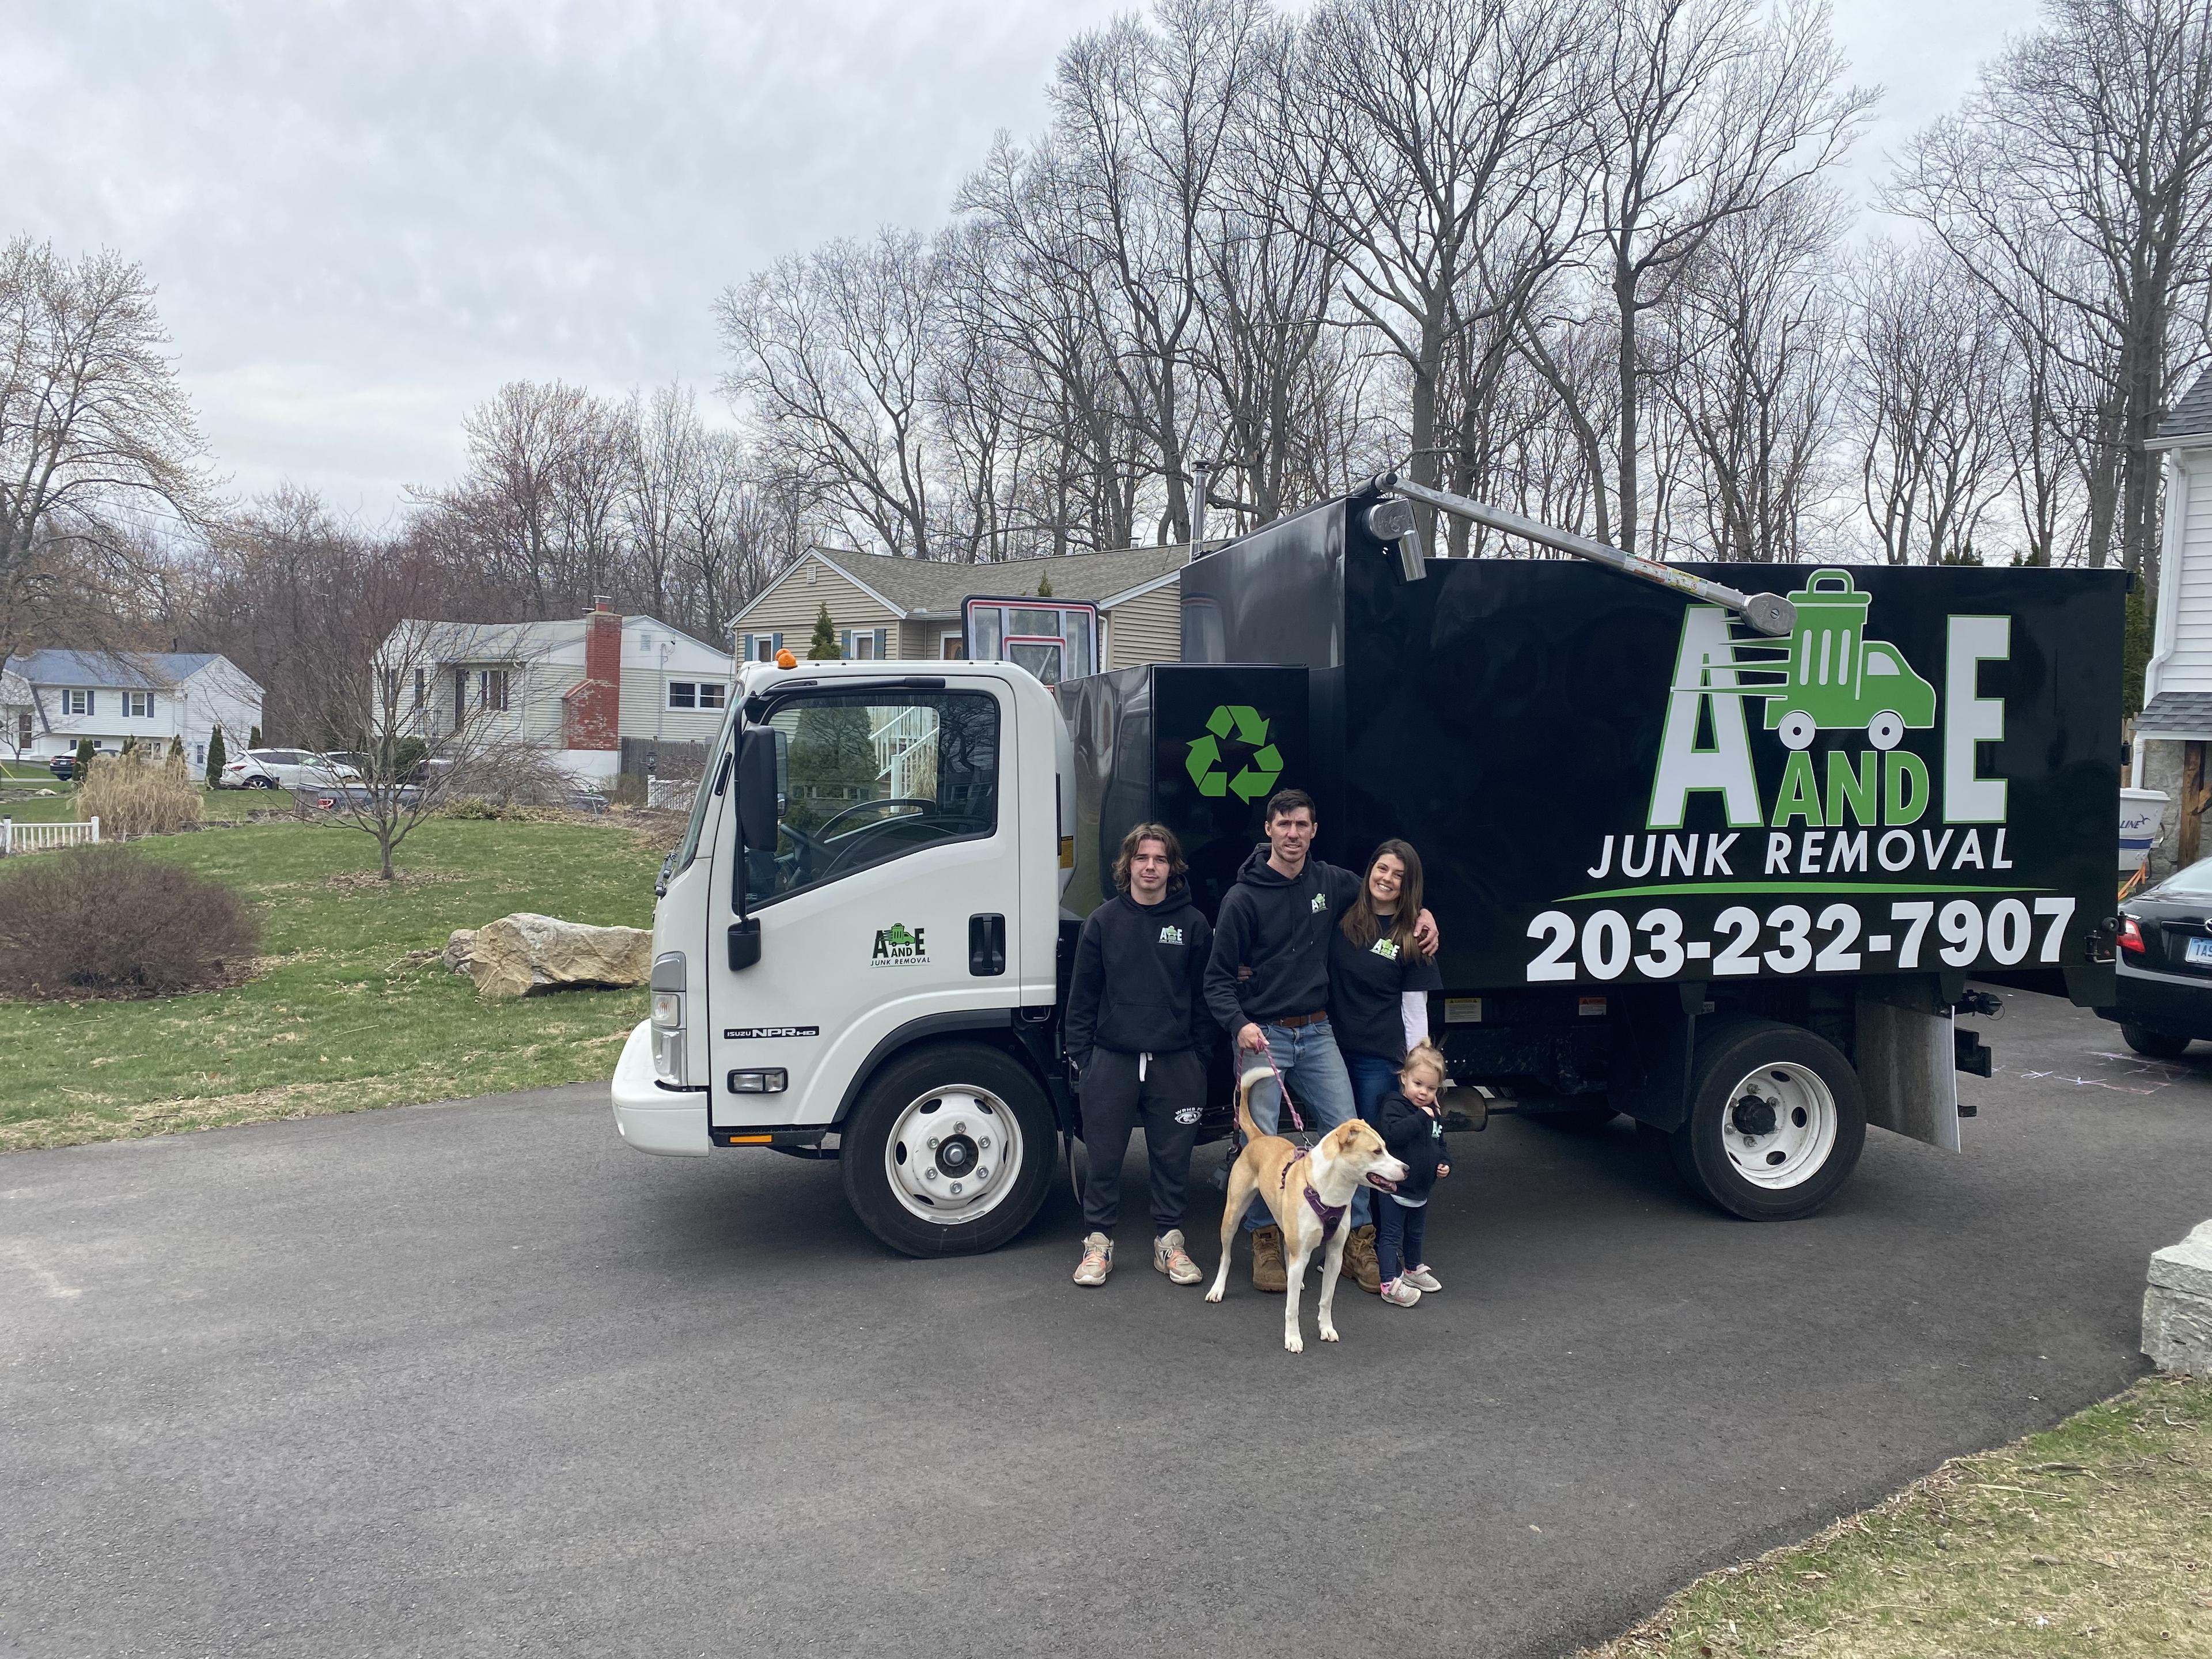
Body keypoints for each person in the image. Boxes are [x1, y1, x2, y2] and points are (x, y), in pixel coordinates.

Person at [1203, 788, 1435, 1294]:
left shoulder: (1331, 881)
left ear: (1314, 831)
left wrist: (1423, 915)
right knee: (1260, 1141)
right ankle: (1265, 1239)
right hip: (1262, 1032)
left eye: (1302, 825)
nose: (1293, 834)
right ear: (1268, 829)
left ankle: (1355, 1242)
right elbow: (1217, 980)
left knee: (1348, 1128)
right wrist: (1239, 1023)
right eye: (1283, 824)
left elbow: (1386, 893)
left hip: (1318, 1029)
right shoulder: (1242, 898)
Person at [1063, 823, 1215, 1288]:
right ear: (1127, 865)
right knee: (1105, 1157)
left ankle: (1169, 1243)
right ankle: (1098, 1244)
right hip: (1111, 1060)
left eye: (1161, 859)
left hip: (1176, 1062)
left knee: (1172, 1158)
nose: (1151, 867)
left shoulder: (1192, 924)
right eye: (1142, 858)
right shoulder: (1103, 922)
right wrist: (1084, 1056)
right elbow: (1083, 996)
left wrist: (1199, 1058)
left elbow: (1204, 997)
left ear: (1173, 868)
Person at [1330, 839, 1444, 1285]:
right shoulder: (1344, 913)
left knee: (1380, 1152)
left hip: (1380, 1060)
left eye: (1398, 874)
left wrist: (1419, 1073)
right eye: (1382, 869)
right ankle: (1338, 1236)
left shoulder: (1413, 935)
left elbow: (1415, 1010)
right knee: (1340, 1148)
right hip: (1332, 1049)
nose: (1387, 879)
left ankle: (1382, 1247)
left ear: (1408, 884)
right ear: (1370, 870)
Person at [1369, 1041, 1452, 1306]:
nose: (1423, 1093)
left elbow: (1440, 1143)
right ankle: (1388, 1282)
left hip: (1421, 1189)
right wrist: (1421, 1117)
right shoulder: (1394, 1106)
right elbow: (1393, 1134)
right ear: (1404, 1078)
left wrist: (1445, 1163)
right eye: (1418, 1084)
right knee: (1391, 1236)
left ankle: (1413, 1269)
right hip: (1395, 1189)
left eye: (1431, 1089)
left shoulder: (1434, 1114)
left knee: (1415, 1233)